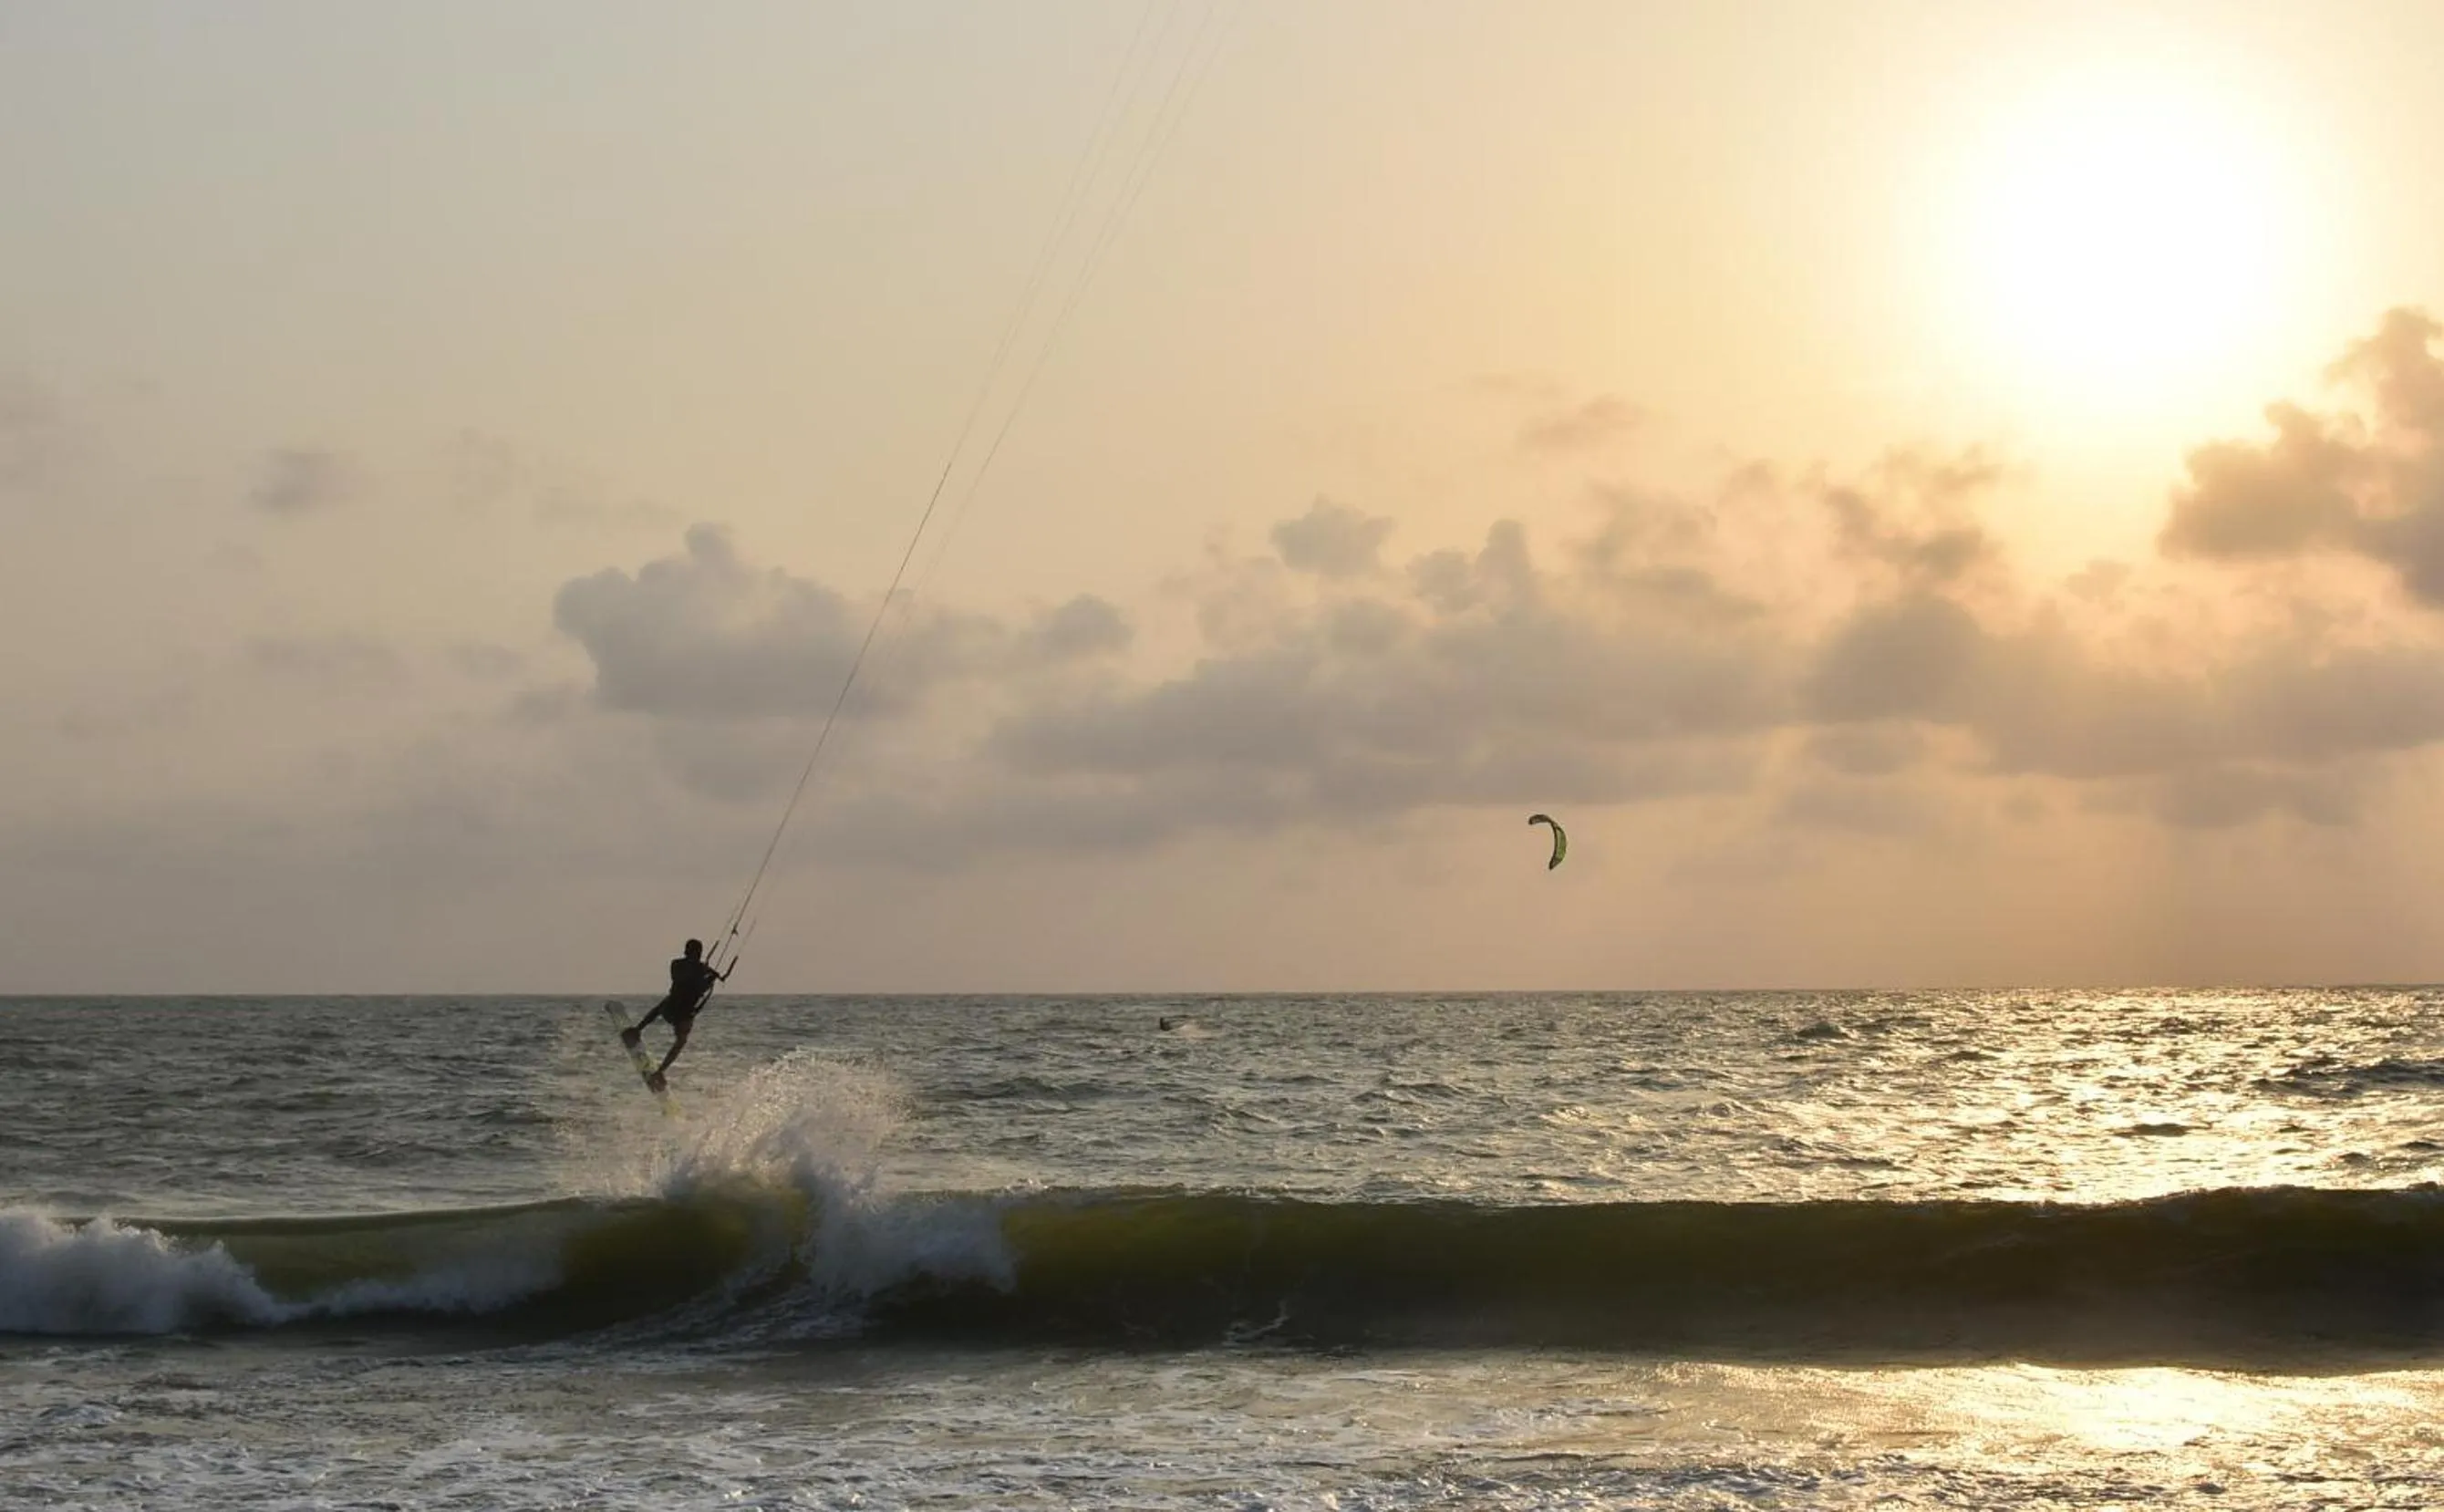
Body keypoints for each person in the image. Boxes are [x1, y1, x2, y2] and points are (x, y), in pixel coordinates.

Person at [622, 938, 728, 1091]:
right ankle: (637, 1030)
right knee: (663, 1006)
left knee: (681, 1040)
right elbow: (680, 979)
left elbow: (700, 989)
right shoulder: (678, 964)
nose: (695, 956)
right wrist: (702, 972)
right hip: (673, 1008)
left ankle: (659, 1072)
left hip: (684, 1013)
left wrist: (710, 977)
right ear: (688, 952)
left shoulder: (699, 970)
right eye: (694, 953)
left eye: (696, 954)